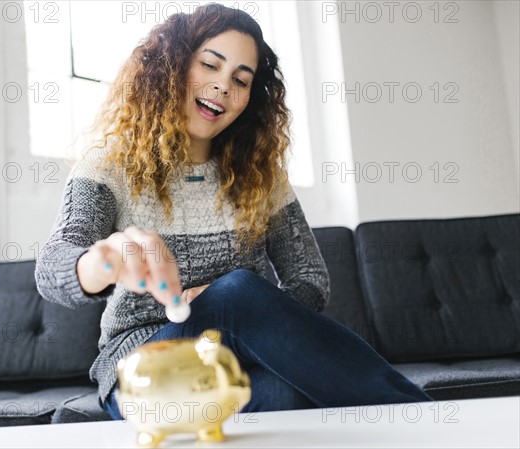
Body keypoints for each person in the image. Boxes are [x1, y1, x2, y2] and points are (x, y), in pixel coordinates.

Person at [34, 3, 432, 421]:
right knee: (238, 291)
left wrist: (243, 315)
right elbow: (51, 270)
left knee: (285, 395)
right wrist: (105, 261)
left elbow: (309, 278)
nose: (223, 86)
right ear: (172, 67)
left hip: (231, 367)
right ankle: (422, 421)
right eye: (210, 65)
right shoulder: (109, 164)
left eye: (240, 80)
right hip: (143, 370)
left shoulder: (261, 175)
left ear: (249, 99)